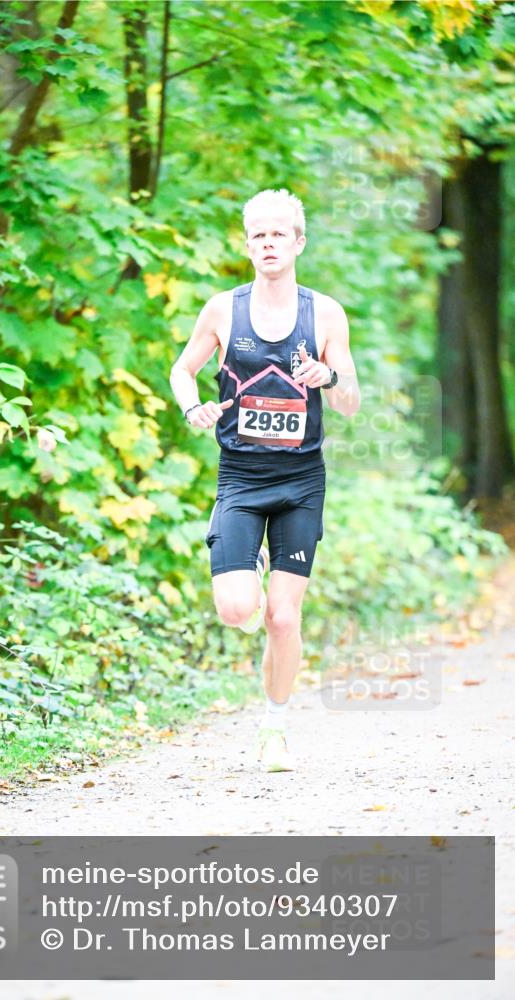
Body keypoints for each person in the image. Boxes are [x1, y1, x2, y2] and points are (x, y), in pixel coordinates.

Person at [169, 188, 360, 772]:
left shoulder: (324, 312)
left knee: (282, 616)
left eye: (279, 233)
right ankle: (242, 570)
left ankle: (274, 730)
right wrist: (192, 406)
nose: (269, 243)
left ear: (298, 242)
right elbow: (183, 370)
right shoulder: (222, 310)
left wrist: (328, 375)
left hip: (301, 479)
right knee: (235, 609)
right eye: (259, 235)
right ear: (247, 244)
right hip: (242, 477)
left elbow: (350, 402)